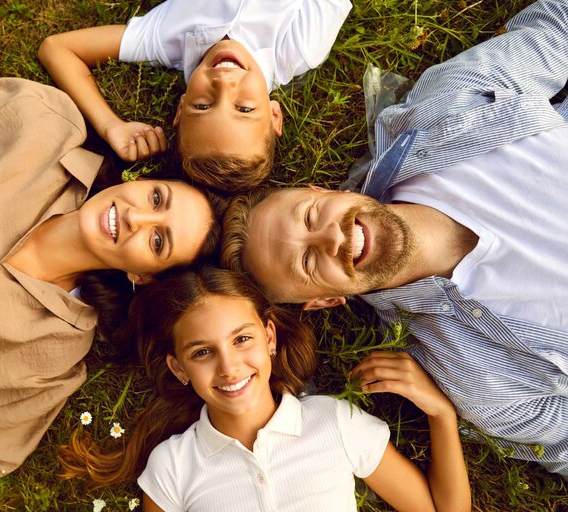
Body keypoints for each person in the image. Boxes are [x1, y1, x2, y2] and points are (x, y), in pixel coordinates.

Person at [220, 0, 568, 478]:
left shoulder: (444, 112)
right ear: (324, 301)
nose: (330, 237)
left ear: (325, 191)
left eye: (312, 214)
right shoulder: (473, 379)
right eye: (306, 264)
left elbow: (558, 26)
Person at [0, 67, 225, 496]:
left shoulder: (48, 360)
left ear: (143, 276)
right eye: (157, 198)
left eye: (158, 240)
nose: (138, 217)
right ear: (144, 181)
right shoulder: (42, 126)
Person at [59, 267, 470, 511]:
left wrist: (441, 414)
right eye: (203, 352)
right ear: (178, 368)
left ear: (269, 338)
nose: (229, 366)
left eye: (242, 340)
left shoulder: (334, 422)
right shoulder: (172, 466)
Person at [37, 0, 353, 193]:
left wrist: (110, 126)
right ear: (274, 115)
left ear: (181, 107)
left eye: (203, 106)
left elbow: (56, 49)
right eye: (244, 108)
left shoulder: (165, 40)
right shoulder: (301, 47)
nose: (225, 84)